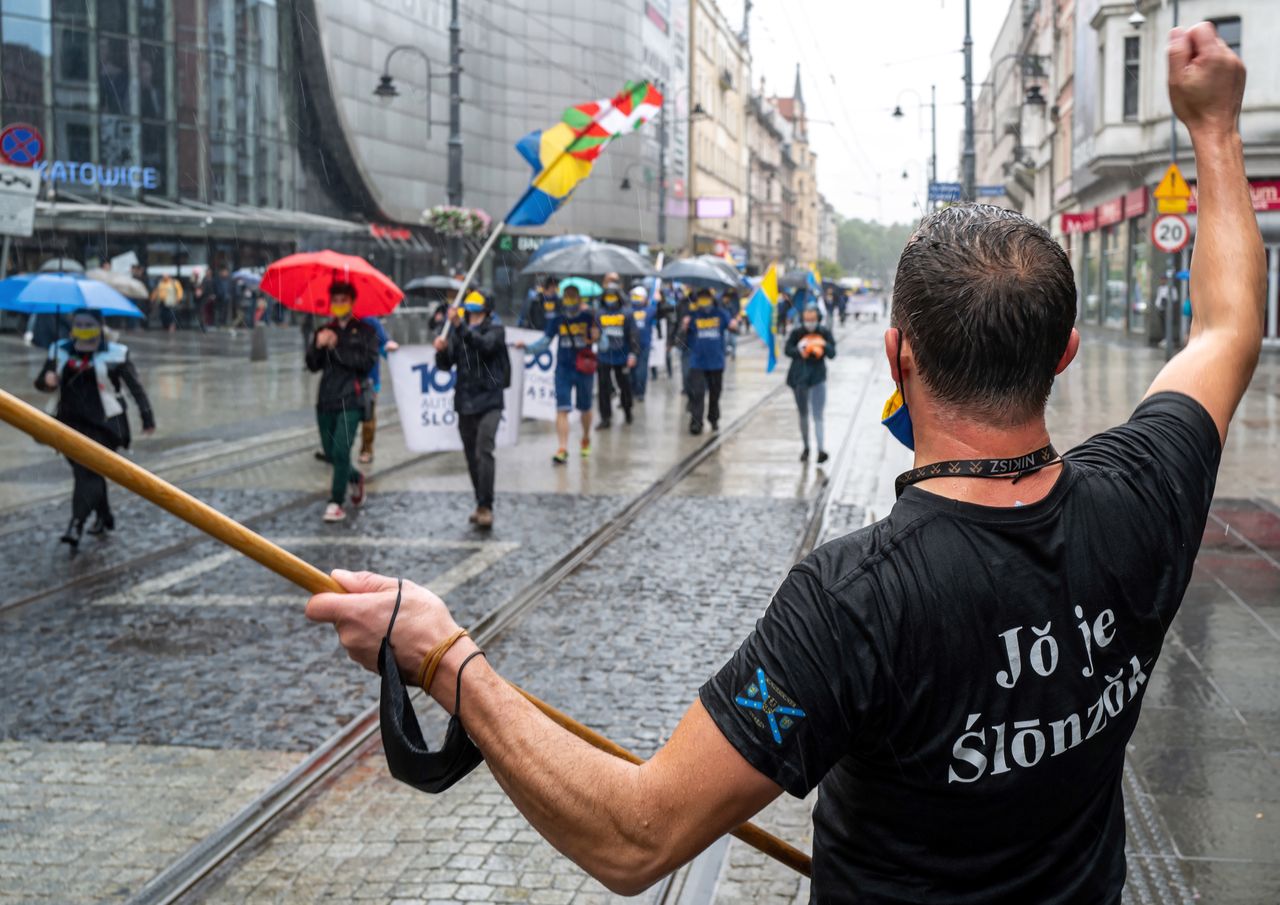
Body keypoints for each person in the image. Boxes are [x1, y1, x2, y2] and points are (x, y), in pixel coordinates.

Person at [306, 26, 1265, 902]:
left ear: (898, 358)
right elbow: (1228, 325)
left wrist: (442, 656)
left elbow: (634, 837)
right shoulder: (1146, 492)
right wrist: (1215, 129)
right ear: (1064, 354)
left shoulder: (855, 601)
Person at [35, 308, 155, 548]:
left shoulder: (116, 354)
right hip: (68, 423)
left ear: (100, 326)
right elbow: (42, 383)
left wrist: (146, 416)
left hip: (106, 425)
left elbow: (135, 387)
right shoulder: (59, 351)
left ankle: (76, 524)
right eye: (78, 324)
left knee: (87, 471)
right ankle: (104, 515)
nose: (83, 329)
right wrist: (47, 381)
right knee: (90, 472)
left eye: (89, 324)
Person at [305, 281, 379, 523]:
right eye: (334, 300)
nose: (338, 305)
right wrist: (318, 346)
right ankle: (355, 478)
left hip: (352, 399)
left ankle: (336, 502)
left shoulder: (366, 331)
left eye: (342, 300)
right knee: (331, 453)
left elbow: (365, 363)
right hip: (326, 399)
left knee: (340, 450)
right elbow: (313, 365)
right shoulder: (324, 329)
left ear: (352, 302)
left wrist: (336, 348)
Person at [434, 291, 508, 529]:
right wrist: (442, 350)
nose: (473, 315)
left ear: (486, 311)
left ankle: (486, 505)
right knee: (471, 457)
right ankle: (480, 501)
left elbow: (485, 347)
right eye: (470, 310)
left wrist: (459, 327)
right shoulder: (458, 332)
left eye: (477, 310)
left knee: (483, 451)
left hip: (490, 401)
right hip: (465, 402)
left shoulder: (496, 330)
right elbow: (446, 364)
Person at [519, 284, 600, 464]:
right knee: (562, 408)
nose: (569, 299)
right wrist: (525, 350)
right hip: (563, 370)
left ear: (579, 298)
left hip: (584, 370)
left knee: (585, 408)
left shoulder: (590, 317)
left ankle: (586, 437)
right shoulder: (557, 319)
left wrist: (597, 336)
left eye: (573, 296)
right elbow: (544, 343)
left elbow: (605, 345)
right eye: (567, 296)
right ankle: (562, 447)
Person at [784, 303, 836, 463]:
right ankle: (806, 447)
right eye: (807, 319)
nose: (810, 322)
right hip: (799, 379)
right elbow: (787, 350)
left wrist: (822, 344)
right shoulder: (797, 333)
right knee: (803, 414)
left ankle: (821, 450)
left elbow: (833, 353)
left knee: (818, 415)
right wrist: (800, 350)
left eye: (813, 319)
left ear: (818, 318)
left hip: (818, 378)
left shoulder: (824, 332)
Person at [682, 287, 738, 435]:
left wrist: (734, 325)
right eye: (701, 299)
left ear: (712, 300)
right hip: (698, 361)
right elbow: (683, 340)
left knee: (715, 393)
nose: (704, 302)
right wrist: (685, 326)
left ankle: (713, 418)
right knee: (697, 393)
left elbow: (732, 327)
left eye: (706, 298)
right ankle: (696, 422)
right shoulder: (693, 315)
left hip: (716, 361)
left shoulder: (721, 314)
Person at [594, 282, 639, 428]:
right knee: (603, 388)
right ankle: (605, 417)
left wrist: (633, 354)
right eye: (608, 296)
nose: (610, 299)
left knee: (624, 386)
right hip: (604, 356)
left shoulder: (627, 313)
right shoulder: (599, 313)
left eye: (613, 296)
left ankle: (627, 410)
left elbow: (633, 335)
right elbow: (594, 333)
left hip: (622, 356)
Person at [357, 316, 399, 465]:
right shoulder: (338, 322)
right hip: (345, 381)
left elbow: (383, 345)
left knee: (368, 417)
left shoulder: (370, 322)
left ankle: (366, 450)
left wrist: (395, 355)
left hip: (369, 380)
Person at [629, 285, 655, 402]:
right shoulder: (628, 311)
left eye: (639, 297)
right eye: (634, 296)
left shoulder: (649, 310)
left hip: (644, 344)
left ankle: (640, 392)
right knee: (631, 371)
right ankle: (632, 391)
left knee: (641, 370)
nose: (636, 299)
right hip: (630, 345)